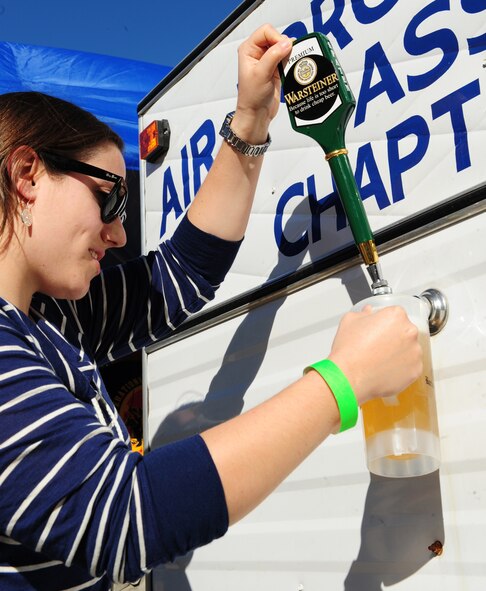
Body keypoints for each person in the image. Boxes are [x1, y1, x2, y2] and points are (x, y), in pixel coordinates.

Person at [0, 24, 422, 591]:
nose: (120, 233)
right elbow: (125, 519)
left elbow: (182, 274)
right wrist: (343, 383)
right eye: (111, 197)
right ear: (27, 175)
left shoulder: (50, 320)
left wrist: (250, 121)